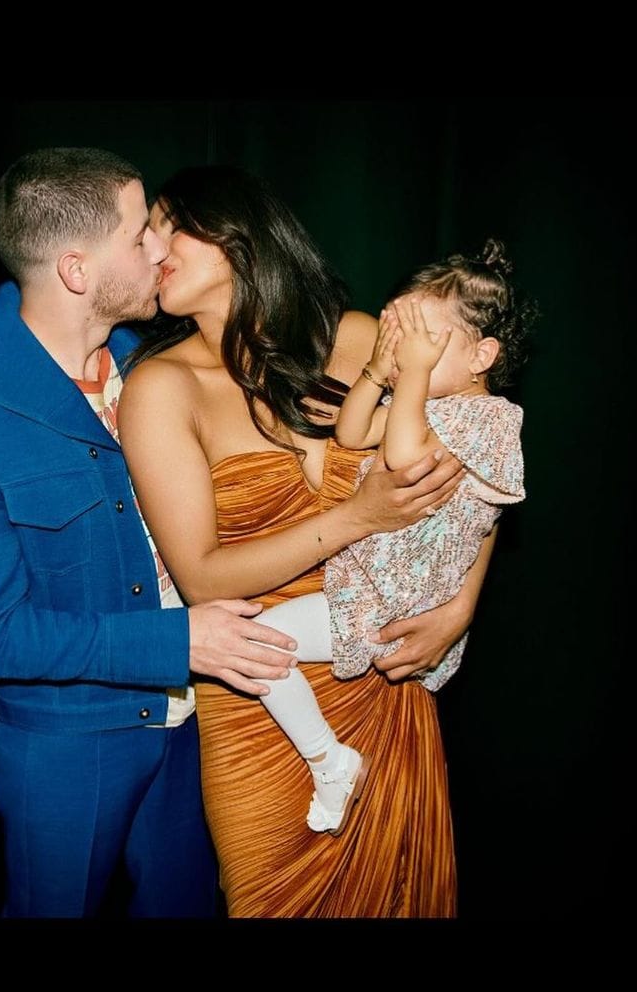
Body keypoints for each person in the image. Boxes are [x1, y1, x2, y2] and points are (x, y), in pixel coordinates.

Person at [0, 147, 306, 919]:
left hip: (197, 725)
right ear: (79, 271)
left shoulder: (154, 363)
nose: (161, 248)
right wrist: (174, 642)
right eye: (139, 235)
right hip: (66, 750)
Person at [118, 165, 483, 917]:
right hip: (264, 702)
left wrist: (460, 611)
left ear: (238, 235)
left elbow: (482, 455)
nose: (151, 246)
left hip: (386, 679)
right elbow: (202, 578)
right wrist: (358, 517)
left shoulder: (357, 339)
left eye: (168, 224)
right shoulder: (163, 388)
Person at [234, 241, 534, 837]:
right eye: (405, 335)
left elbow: (401, 461)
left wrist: (414, 375)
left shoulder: (492, 419)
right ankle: (331, 757)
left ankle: (329, 760)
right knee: (260, 647)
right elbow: (350, 432)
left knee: (259, 645)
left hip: (399, 599)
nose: (410, 353)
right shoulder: (418, 400)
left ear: (483, 354)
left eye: (427, 338)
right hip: (374, 584)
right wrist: (379, 368)